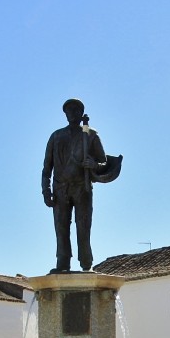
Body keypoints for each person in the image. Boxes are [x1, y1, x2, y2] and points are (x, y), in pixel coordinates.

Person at [41, 98, 120, 272]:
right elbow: (47, 167)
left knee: (83, 226)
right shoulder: (56, 136)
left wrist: (93, 164)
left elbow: (103, 163)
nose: (72, 113)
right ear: (65, 114)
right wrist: (46, 191)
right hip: (60, 188)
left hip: (82, 187)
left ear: (81, 112)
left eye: (75, 110)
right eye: (68, 110)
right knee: (61, 227)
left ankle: (86, 263)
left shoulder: (90, 135)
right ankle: (62, 263)